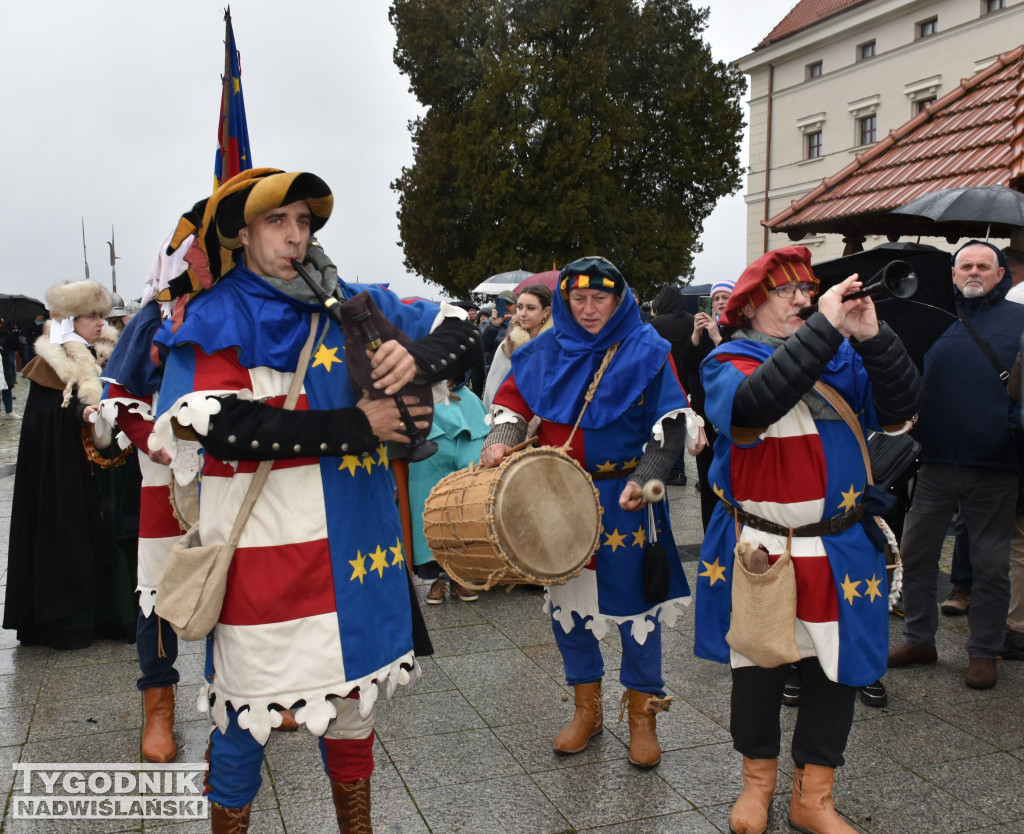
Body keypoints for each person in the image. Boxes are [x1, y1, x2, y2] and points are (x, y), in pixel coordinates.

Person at [149, 168, 481, 832]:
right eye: (278, 222)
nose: (295, 237)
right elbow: (226, 429)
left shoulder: (350, 302)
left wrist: (416, 363)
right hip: (259, 560)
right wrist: (358, 426)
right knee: (243, 720)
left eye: (304, 223)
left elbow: (461, 325)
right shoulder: (212, 316)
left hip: (354, 550)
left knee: (354, 716)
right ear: (242, 234)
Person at [693, 246, 922, 834]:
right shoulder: (728, 361)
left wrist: (873, 337)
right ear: (747, 309)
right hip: (763, 551)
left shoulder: (840, 358)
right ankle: (757, 787)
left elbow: (902, 410)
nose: (802, 298)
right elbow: (754, 405)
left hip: (841, 547)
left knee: (835, 673)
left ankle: (812, 799)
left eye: (807, 289)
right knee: (759, 669)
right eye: (786, 292)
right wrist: (823, 325)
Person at [481, 256, 704, 768]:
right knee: (570, 612)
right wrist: (500, 440)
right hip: (558, 502)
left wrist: (646, 476)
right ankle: (587, 711)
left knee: (636, 612)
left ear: (619, 299)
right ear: (563, 300)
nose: (587, 308)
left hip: (628, 502)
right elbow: (513, 408)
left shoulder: (649, 350)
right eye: (577, 298)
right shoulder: (542, 351)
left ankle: (642, 717)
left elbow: (671, 425)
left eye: (599, 298)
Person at [889, 241, 1024, 690]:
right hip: (936, 463)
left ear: (1000, 274)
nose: (974, 271)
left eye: (984, 266)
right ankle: (920, 639)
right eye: (965, 264)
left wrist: (1008, 428)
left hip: (995, 466)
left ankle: (985, 651)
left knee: (989, 565)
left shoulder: (1019, 321)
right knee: (918, 554)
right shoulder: (934, 319)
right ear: (952, 273)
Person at [4, 280, 138, 650]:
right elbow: (45, 419)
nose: (100, 323)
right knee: (76, 536)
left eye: (101, 316)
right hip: (71, 471)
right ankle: (74, 621)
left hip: (113, 467)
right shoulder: (52, 363)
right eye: (91, 317)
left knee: (115, 534)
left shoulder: (108, 352)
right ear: (70, 320)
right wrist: (80, 413)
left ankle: (117, 614)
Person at [410, 378, 490, 603]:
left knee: (465, 504)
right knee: (426, 504)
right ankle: (437, 580)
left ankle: (461, 577)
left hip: (461, 399)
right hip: (427, 403)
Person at [483, 283, 553, 408]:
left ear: (546, 311)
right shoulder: (508, 345)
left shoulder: (558, 345)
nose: (522, 313)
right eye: (520, 307)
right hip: (508, 419)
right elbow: (492, 392)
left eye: (530, 308)